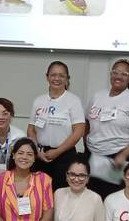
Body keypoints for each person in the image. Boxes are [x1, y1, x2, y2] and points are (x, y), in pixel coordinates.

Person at [85, 59, 129, 200]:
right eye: (115, 72)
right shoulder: (97, 96)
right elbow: (87, 122)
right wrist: (86, 144)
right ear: (110, 74)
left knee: (111, 197)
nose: (118, 76)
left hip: (115, 158)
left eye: (124, 74)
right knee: (91, 197)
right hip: (93, 155)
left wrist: (124, 155)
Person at [27, 61, 85, 190]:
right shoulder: (39, 101)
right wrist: (37, 151)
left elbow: (79, 131)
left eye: (61, 75)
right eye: (53, 75)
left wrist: (57, 151)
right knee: (39, 192)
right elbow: (31, 130)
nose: (57, 78)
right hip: (41, 155)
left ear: (67, 78)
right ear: (47, 76)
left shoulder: (73, 101)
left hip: (64, 155)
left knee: (60, 193)